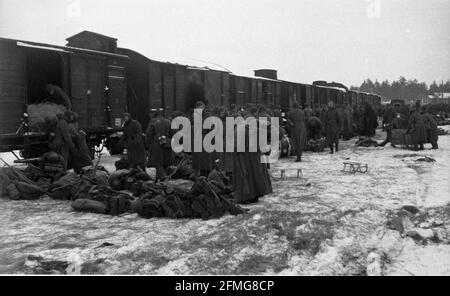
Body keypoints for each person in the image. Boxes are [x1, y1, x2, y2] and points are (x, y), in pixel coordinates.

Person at [232, 120, 272, 204]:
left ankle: (247, 197)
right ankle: (256, 195)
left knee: (247, 176)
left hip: (245, 157)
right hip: (256, 156)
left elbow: (236, 146)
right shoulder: (257, 131)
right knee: (257, 175)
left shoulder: (238, 130)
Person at [146, 109, 174, 181]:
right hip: (167, 145)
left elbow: (149, 133)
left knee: (158, 164)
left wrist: (147, 144)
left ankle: (163, 179)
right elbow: (172, 134)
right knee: (165, 163)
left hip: (157, 146)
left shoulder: (153, 121)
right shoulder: (168, 122)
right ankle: (162, 178)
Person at [191, 101, 213, 177]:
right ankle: (200, 177)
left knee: (206, 162)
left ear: (203, 108)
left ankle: (206, 176)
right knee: (198, 162)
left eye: (200, 108)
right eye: (198, 108)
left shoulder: (207, 116)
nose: (199, 109)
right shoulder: (194, 116)